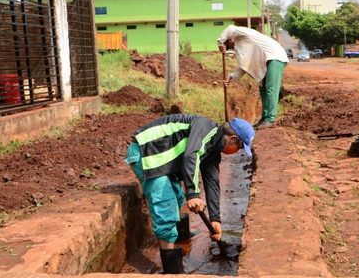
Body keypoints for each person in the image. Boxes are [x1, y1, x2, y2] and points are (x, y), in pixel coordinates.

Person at [124, 114, 255, 274]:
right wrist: (193, 194)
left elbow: (212, 181)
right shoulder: (205, 127)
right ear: (233, 139)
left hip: (163, 161)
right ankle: (172, 272)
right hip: (147, 153)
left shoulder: (213, 149)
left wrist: (215, 219)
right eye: (240, 148)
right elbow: (190, 155)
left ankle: (180, 244)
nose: (237, 152)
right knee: (166, 208)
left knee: (177, 198)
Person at [218, 25, 289, 130]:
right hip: (265, 62)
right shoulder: (239, 48)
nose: (229, 48)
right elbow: (244, 67)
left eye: (228, 45)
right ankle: (264, 118)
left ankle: (270, 119)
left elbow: (230, 28)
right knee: (263, 90)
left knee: (271, 89)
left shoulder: (242, 34)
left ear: (230, 39)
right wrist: (231, 77)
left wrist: (220, 42)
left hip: (275, 56)